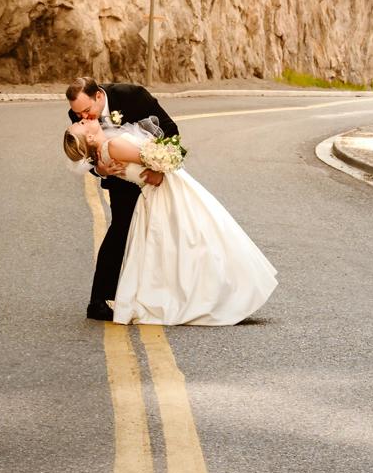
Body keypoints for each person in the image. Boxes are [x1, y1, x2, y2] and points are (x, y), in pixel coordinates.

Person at [64, 111, 277, 326]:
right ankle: (220, 294)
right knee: (201, 237)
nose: (83, 119)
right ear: (89, 139)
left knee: (187, 245)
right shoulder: (113, 146)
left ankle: (209, 292)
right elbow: (153, 158)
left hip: (158, 193)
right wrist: (168, 156)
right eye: (81, 124)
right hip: (166, 189)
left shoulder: (104, 154)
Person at [66, 76, 178, 320]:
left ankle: (161, 292)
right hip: (120, 178)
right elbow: (85, 151)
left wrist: (158, 169)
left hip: (151, 172)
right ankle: (98, 301)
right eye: (78, 114)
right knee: (120, 231)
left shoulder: (133, 96)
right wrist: (100, 169)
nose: (83, 117)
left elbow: (170, 130)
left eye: (87, 111)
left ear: (98, 96)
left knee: (162, 232)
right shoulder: (77, 111)